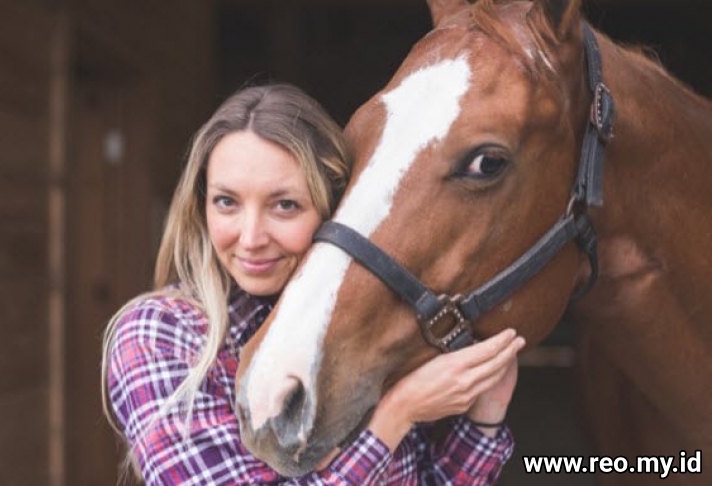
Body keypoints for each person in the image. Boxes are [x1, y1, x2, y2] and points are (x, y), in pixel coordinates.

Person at [101, 83, 525, 485]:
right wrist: (398, 414)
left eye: (284, 205)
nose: (250, 238)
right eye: (227, 202)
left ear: (333, 209)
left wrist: (484, 417)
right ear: (201, 206)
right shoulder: (162, 333)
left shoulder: (363, 325)